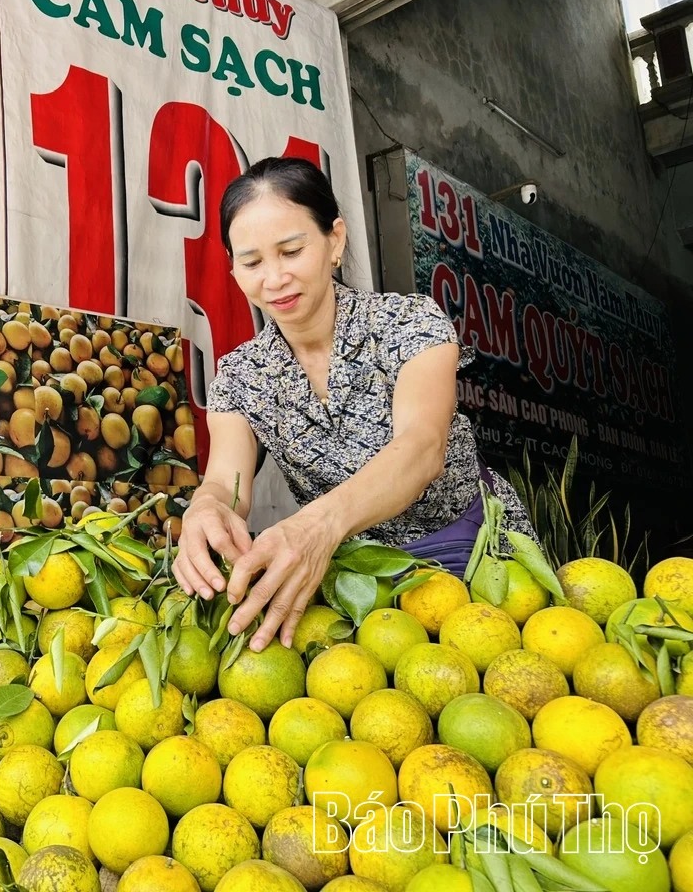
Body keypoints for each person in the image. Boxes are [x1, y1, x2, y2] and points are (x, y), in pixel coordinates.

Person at [172, 157, 536, 653]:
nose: (274, 278)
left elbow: (421, 449)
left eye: (291, 251)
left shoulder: (408, 323)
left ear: (335, 241)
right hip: (356, 588)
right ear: (233, 269)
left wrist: (319, 524)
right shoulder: (239, 376)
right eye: (253, 262)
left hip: (476, 561)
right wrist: (205, 511)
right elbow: (225, 483)